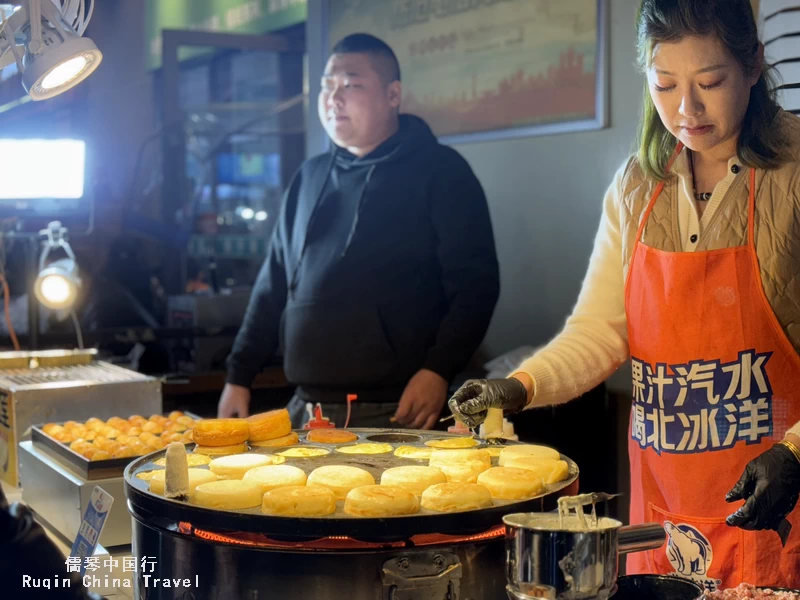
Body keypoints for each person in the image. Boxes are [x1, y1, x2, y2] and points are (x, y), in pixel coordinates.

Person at [449, 0, 800, 590]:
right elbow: (600, 330)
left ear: (754, 65)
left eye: (710, 82)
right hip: (665, 517)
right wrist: (519, 388)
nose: (687, 108)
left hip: (779, 511)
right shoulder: (639, 184)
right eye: (664, 84)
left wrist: (794, 453)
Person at [219, 33, 499, 430]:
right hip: (306, 408)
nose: (333, 97)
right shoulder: (309, 177)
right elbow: (272, 285)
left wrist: (438, 370)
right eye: (326, 85)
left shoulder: (441, 171)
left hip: (399, 408)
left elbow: (477, 287)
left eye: (351, 84)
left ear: (392, 94)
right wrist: (238, 375)